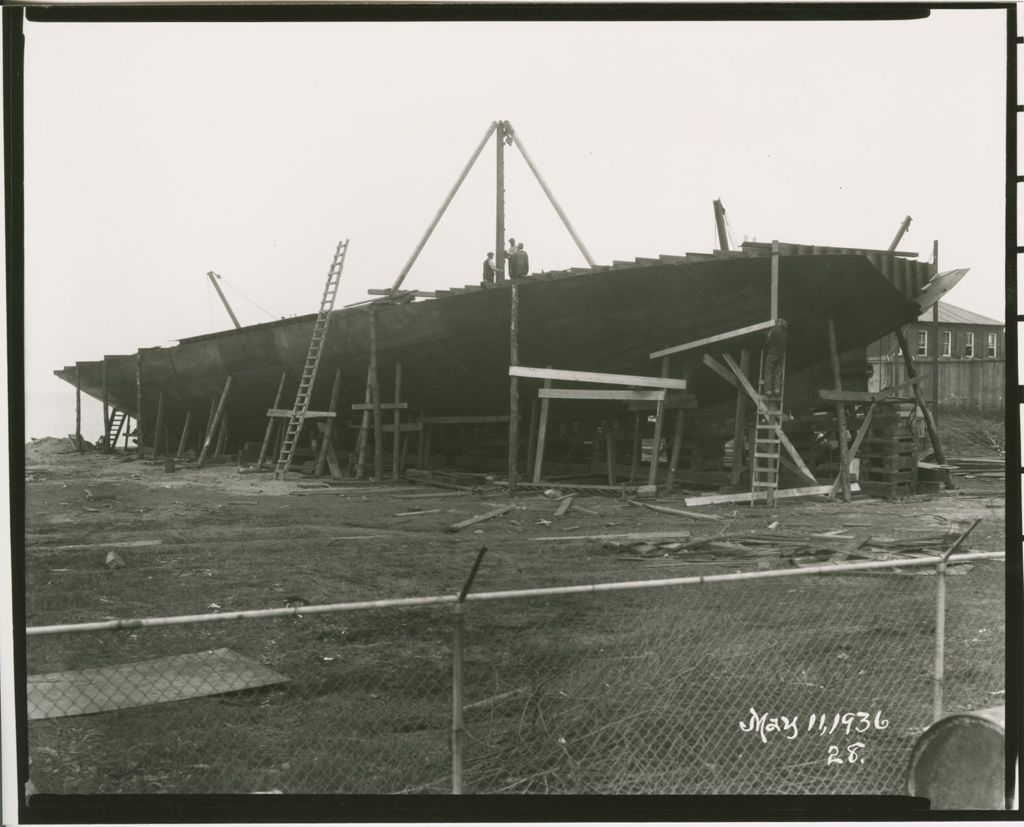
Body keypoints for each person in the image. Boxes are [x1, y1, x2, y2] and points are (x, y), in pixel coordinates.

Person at [763, 318, 788, 398]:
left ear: (778, 323)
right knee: (778, 373)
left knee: (768, 372)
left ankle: (769, 391)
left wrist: (768, 335)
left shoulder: (773, 330)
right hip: (780, 355)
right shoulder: (785, 333)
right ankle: (777, 389)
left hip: (772, 354)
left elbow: (768, 342)